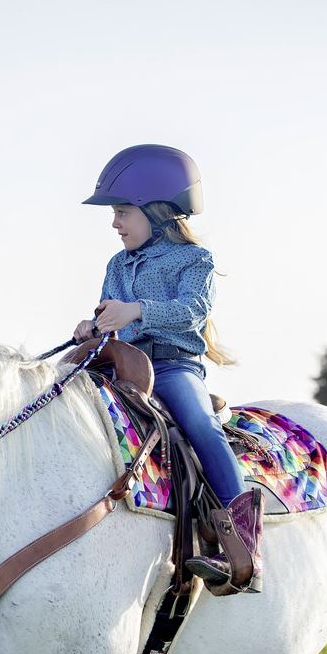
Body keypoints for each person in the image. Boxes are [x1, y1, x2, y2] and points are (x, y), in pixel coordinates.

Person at [74, 144, 261, 592]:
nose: (114, 223)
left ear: (156, 212)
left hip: (175, 368)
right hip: (122, 368)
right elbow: (110, 317)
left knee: (199, 425)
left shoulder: (195, 261)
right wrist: (92, 328)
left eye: (122, 212)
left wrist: (136, 311)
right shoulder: (117, 264)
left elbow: (193, 309)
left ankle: (245, 549)